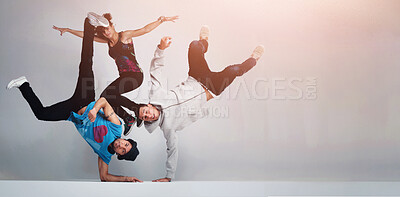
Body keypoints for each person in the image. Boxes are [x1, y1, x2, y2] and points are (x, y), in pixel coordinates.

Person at [7, 16, 142, 182]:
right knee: (86, 63)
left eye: (122, 151)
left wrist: (126, 178)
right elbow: (105, 102)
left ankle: (23, 84)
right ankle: (89, 23)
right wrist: (93, 110)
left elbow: (104, 177)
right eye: (126, 145)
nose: (121, 146)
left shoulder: (105, 154)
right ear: (126, 140)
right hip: (85, 99)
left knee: (41, 114)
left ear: (119, 155)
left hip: (73, 113)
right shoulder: (117, 128)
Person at [137, 26, 265, 182]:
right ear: (148, 121)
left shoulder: (156, 95)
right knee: (233, 70)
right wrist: (168, 176)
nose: (147, 115)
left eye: (145, 111)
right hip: (212, 88)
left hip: (196, 77)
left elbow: (155, 71)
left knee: (194, 46)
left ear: (148, 106)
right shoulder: (168, 128)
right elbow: (172, 150)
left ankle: (204, 41)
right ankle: (253, 59)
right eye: (146, 118)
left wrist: (161, 49)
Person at [53, 12, 179, 135]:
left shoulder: (124, 36)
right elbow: (87, 36)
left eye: (108, 28)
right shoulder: (107, 41)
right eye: (103, 31)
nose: (106, 33)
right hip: (124, 76)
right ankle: (132, 115)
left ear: (112, 26)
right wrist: (68, 30)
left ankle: (129, 118)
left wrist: (161, 20)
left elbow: (144, 29)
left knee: (106, 96)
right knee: (108, 97)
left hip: (135, 76)